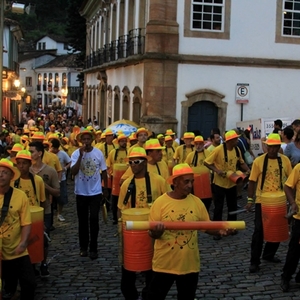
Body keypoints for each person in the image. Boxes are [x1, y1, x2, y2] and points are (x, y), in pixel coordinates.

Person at [145, 163, 232, 300]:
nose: (190, 185)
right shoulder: (160, 203)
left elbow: (207, 226)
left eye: (192, 181)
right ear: (175, 182)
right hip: (164, 264)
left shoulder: (197, 203)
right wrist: (157, 232)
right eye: (186, 182)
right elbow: (151, 233)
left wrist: (220, 231)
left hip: (189, 265)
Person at [117, 147, 169, 300]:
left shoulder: (158, 181)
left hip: (153, 233)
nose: (133, 165)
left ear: (145, 163)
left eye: (136, 162)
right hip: (132, 235)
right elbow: (121, 209)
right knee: (127, 275)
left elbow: (168, 202)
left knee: (152, 273)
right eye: (131, 162)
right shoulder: (126, 184)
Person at [246, 133, 292, 273]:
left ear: (279, 146)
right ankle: (254, 261)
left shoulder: (285, 161)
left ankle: (269, 254)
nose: (272, 150)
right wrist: (250, 200)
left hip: (279, 200)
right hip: (262, 201)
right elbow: (252, 181)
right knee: (259, 231)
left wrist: (292, 201)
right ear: (266, 146)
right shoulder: (258, 161)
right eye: (270, 147)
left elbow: (290, 181)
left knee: (277, 228)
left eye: (275, 147)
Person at [0, 158, 36, 299]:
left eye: (4, 172)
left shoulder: (20, 196)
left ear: (11, 176)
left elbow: (26, 223)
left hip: (16, 250)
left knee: (30, 284)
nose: (1, 175)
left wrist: (23, 243)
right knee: (7, 288)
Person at [204, 130, 250, 239]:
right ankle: (217, 230)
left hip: (232, 183)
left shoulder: (237, 149)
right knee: (218, 207)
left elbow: (241, 162)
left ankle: (231, 227)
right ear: (229, 141)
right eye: (235, 139)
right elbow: (207, 162)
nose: (237, 141)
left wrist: (248, 170)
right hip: (219, 183)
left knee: (232, 206)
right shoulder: (218, 150)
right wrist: (217, 170)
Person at [71, 129, 108, 260]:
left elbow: (104, 171)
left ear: (91, 140)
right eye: (84, 139)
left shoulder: (98, 153)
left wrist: (105, 189)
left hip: (95, 192)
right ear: (81, 141)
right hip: (81, 192)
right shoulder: (75, 154)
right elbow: (73, 172)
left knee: (93, 219)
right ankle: (83, 247)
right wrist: (81, 156)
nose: (86, 142)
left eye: (88, 139)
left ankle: (94, 247)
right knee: (82, 221)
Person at [29, 141, 60, 277]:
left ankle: (44, 263)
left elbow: (57, 192)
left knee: (44, 239)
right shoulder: (27, 170)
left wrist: (43, 185)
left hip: (45, 210)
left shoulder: (50, 171)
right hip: (28, 211)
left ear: (40, 153)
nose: (30, 154)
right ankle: (31, 264)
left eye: (32, 151)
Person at [280, 163, 300, 291]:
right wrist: (292, 203)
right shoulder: (299, 168)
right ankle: (286, 277)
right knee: (295, 250)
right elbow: (287, 187)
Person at [185, 135, 212, 212]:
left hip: (206, 182)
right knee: (195, 200)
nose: (198, 146)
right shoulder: (190, 155)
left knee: (207, 200)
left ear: (203, 144)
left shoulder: (208, 153)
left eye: (200, 144)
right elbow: (186, 167)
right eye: (196, 144)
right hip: (194, 183)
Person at [106, 133, 128, 224]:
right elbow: (108, 165)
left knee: (125, 199)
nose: (124, 143)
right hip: (115, 180)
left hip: (126, 179)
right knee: (115, 199)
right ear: (118, 142)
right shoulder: (113, 152)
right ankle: (115, 218)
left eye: (125, 141)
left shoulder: (129, 151)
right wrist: (110, 174)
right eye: (122, 141)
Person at [49, 138, 71, 222]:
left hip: (61, 179)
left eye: (52, 147)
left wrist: (65, 168)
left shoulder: (62, 154)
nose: (51, 149)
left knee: (61, 198)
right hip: (50, 179)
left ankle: (59, 213)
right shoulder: (48, 154)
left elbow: (69, 161)